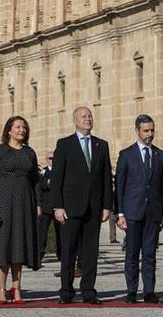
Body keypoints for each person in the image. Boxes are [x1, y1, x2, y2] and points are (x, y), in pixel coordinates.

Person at [51, 106, 112, 305]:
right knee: (68, 251)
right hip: (70, 208)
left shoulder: (101, 145)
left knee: (90, 252)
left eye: (90, 116)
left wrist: (106, 205)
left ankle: (88, 291)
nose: (88, 119)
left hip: (93, 207)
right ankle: (66, 292)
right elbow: (57, 178)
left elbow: (105, 178)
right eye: (83, 116)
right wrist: (57, 206)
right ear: (75, 120)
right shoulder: (64, 144)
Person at [0, 116, 41, 304]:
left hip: (25, 203)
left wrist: (38, 203)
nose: (21, 130)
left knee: (19, 246)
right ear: (9, 130)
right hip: (3, 202)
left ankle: (17, 288)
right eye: (17, 127)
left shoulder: (29, 153)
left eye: (24, 127)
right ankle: (1, 288)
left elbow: (36, 181)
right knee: (4, 246)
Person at [115, 114, 163, 304]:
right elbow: (120, 185)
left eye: (152, 130)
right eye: (146, 131)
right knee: (131, 253)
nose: (150, 134)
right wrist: (119, 213)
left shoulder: (160, 155)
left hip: (153, 212)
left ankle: (149, 291)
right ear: (137, 131)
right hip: (132, 212)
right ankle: (131, 291)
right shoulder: (126, 154)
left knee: (149, 254)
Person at [36, 152, 61, 265]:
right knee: (42, 232)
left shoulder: (60, 170)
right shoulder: (42, 172)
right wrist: (39, 205)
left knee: (60, 233)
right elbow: (40, 188)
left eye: (54, 158)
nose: (52, 160)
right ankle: (39, 255)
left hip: (58, 207)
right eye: (50, 158)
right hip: (46, 207)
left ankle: (61, 255)